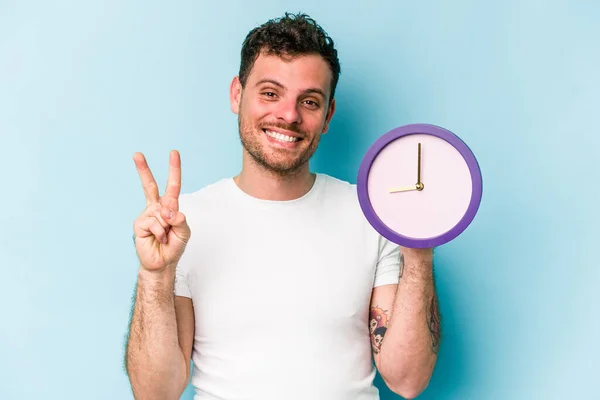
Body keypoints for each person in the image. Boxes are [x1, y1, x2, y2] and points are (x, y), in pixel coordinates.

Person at [125, 12, 440, 400]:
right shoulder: (186, 223)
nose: (288, 115)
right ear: (237, 95)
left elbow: (406, 381)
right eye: (270, 93)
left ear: (328, 116)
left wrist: (419, 255)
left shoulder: (370, 215)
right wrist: (154, 276)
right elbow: (156, 393)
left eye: (309, 101)